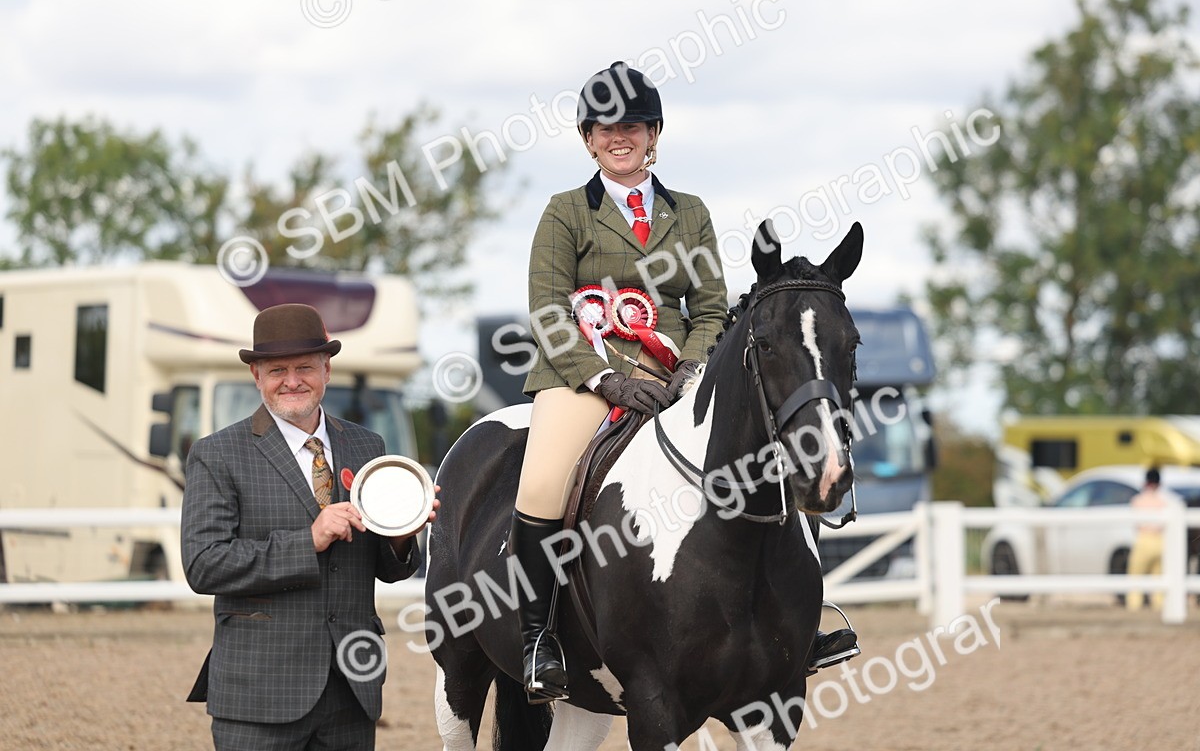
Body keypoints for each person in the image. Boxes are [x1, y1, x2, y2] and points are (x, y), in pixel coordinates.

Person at [511, 62, 855, 704]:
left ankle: (802, 625)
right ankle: (538, 639)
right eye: (607, 127)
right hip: (584, 375)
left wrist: (693, 371)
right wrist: (605, 380)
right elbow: (547, 309)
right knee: (541, 485)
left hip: (677, 378)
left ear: (654, 134)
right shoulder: (565, 214)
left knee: (769, 461)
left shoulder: (689, 212)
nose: (621, 137)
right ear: (588, 138)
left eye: (634, 126)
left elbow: (711, 308)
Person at [181, 303, 437, 750]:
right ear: (256, 376)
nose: (292, 380)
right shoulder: (217, 453)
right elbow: (204, 565)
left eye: (305, 367)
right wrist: (309, 541)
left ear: (327, 370)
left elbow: (390, 567)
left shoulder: (367, 444)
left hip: (352, 688)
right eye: (277, 369)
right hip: (260, 694)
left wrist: (401, 533)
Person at [1127, 467, 1167, 611]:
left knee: (1136, 575)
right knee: (1159, 576)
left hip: (1144, 539)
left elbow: (1135, 523)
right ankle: (1159, 605)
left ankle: (1134, 605)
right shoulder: (1163, 501)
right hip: (1160, 540)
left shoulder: (1138, 500)